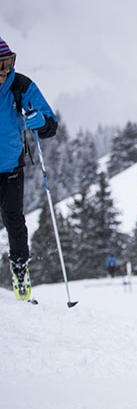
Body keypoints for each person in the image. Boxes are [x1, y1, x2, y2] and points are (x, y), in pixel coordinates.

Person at [0, 36, 58, 301]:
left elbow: (49, 124)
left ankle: (20, 271)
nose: (5, 70)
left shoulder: (20, 85)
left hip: (11, 167)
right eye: (1, 65)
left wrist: (40, 122)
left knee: (14, 220)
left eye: (8, 63)